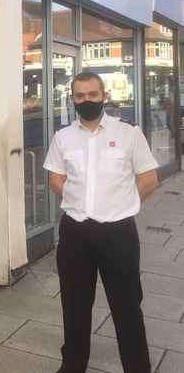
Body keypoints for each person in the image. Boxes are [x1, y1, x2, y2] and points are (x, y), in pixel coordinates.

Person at [43, 71, 159, 373]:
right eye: (79, 96)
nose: (86, 101)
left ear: (103, 96)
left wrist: (123, 202)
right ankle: (73, 366)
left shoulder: (128, 133)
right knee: (74, 305)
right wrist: (75, 197)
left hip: (118, 233)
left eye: (92, 94)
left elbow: (149, 178)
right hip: (75, 233)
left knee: (127, 307)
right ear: (72, 99)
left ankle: (138, 368)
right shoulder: (63, 137)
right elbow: (55, 176)